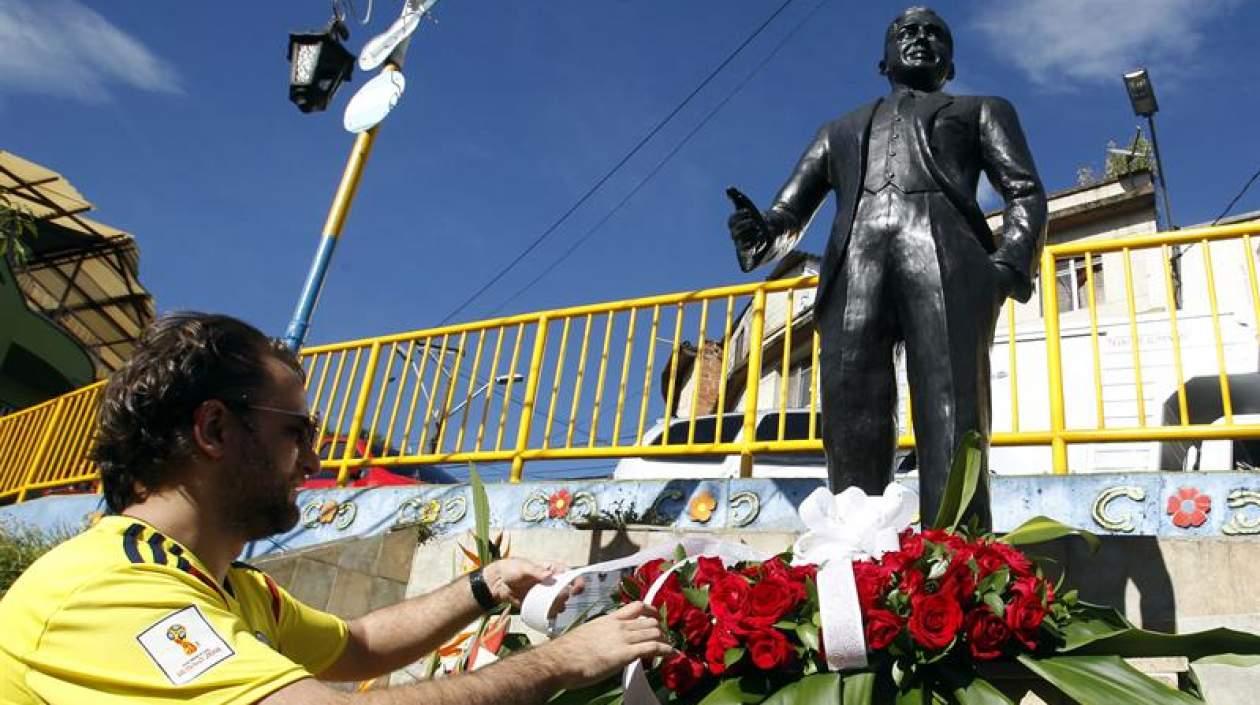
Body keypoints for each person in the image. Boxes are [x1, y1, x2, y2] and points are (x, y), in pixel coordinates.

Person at [0, 312, 671, 704]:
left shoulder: (230, 589)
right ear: (212, 430)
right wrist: (562, 660)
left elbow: (356, 645)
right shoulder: (107, 587)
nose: (317, 461)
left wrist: (485, 584)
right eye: (296, 432)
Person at [727, 6, 1047, 528]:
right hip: (855, 266)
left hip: (949, 256)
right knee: (852, 410)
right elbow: (788, 214)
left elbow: (1025, 191)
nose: (920, 39)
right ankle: (856, 555)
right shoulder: (840, 130)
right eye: (907, 32)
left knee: (952, 407)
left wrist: (1006, 265)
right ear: (884, 60)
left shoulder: (982, 109)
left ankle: (958, 558)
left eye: (934, 33)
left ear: (951, 62)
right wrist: (760, 233)